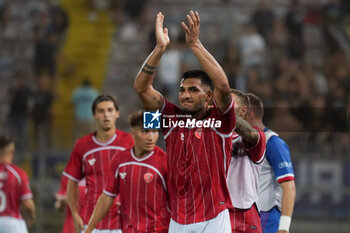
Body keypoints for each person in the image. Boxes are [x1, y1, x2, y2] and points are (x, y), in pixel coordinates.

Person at [134, 11, 235, 232]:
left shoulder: (221, 121)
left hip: (214, 218)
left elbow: (224, 87)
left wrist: (195, 44)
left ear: (208, 97)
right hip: (178, 220)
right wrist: (159, 49)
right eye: (182, 90)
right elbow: (141, 88)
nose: (185, 95)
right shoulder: (170, 118)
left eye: (193, 90)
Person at [85, 110, 170, 233]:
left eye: (155, 131)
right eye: (145, 132)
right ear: (132, 133)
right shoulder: (120, 160)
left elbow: (179, 202)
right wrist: (89, 229)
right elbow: (107, 196)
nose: (151, 137)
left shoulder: (165, 162)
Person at [63, 95, 134, 233]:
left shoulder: (129, 142)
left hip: (122, 224)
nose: (106, 115)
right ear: (94, 115)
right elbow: (72, 183)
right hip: (90, 224)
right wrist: (75, 214)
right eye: (101, 111)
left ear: (117, 113)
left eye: (110, 110)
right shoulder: (82, 145)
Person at [245, 93, 296, 233]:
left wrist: (284, 228)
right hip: (244, 217)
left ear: (250, 114)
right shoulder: (239, 143)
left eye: (240, 111)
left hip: (265, 218)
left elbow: (289, 187)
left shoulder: (273, 143)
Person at [227, 89, 266, 233]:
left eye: (228, 103)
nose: (223, 106)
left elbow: (249, 133)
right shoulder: (213, 137)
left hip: (245, 213)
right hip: (218, 212)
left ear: (243, 111)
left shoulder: (257, 137)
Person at [0, 135, 35, 233]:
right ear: (12, 152)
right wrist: (31, 217)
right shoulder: (18, 173)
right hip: (12, 223)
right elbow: (28, 204)